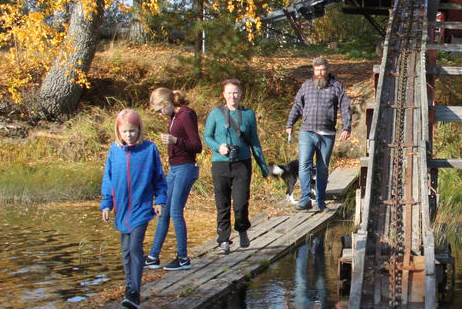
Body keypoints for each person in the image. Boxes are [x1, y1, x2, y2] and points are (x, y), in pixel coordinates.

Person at [100, 108, 167, 309]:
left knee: (134, 248)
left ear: (139, 130)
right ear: (118, 132)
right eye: (125, 131)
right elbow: (108, 178)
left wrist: (159, 200)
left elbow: (159, 179)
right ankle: (129, 286)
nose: (129, 135)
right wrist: (106, 203)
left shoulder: (149, 150)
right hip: (121, 209)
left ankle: (134, 293)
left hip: (141, 208)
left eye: (133, 131)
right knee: (125, 250)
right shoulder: (114, 151)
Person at [203, 79, 269, 253]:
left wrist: (263, 166)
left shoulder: (248, 114)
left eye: (236, 92)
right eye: (229, 92)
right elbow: (207, 137)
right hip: (220, 163)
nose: (233, 96)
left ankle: (242, 228)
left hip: (242, 163)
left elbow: (254, 141)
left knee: (240, 203)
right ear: (223, 94)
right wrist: (220, 147)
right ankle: (223, 240)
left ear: (241, 94)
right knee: (222, 203)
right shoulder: (215, 113)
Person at [145, 88, 202, 271]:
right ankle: (153, 256)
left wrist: (174, 140)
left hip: (186, 167)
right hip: (175, 168)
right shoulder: (174, 117)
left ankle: (183, 258)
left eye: (159, 110)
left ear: (167, 104)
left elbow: (197, 146)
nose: (160, 114)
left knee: (176, 211)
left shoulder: (186, 115)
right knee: (164, 211)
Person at [285, 57, 351, 211]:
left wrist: (346, 127)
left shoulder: (336, 86)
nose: (320, 73)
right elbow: (297, 106)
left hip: (327, 134)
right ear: (313, 71)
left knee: (322, 168)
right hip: (307, 132)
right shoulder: (306, 86)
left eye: (323, 70)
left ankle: (320, 202)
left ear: (327, 70)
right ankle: (305, 199)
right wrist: (290, 123)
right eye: (317, 70)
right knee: (304, 165)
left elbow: (345, 107)